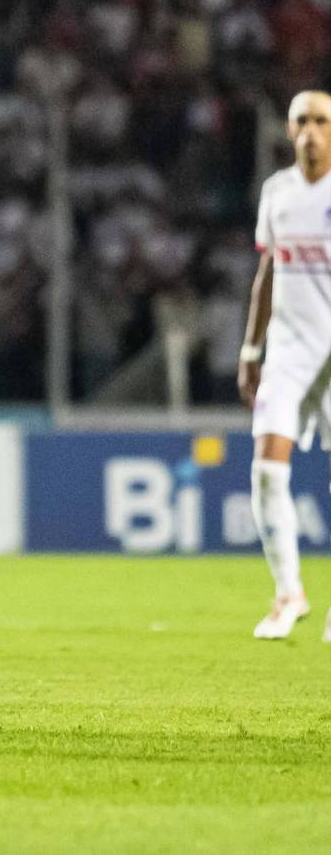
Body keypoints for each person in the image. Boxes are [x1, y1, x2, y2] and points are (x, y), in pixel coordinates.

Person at [239, 89, 331, 643]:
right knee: (267, 470)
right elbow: (267, 273)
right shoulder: (277, 192)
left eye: (322, 121)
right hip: (290, 350)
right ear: (289, 128)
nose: (311, 131)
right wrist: (252, 350)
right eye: (302, 121)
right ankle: (288, 593)